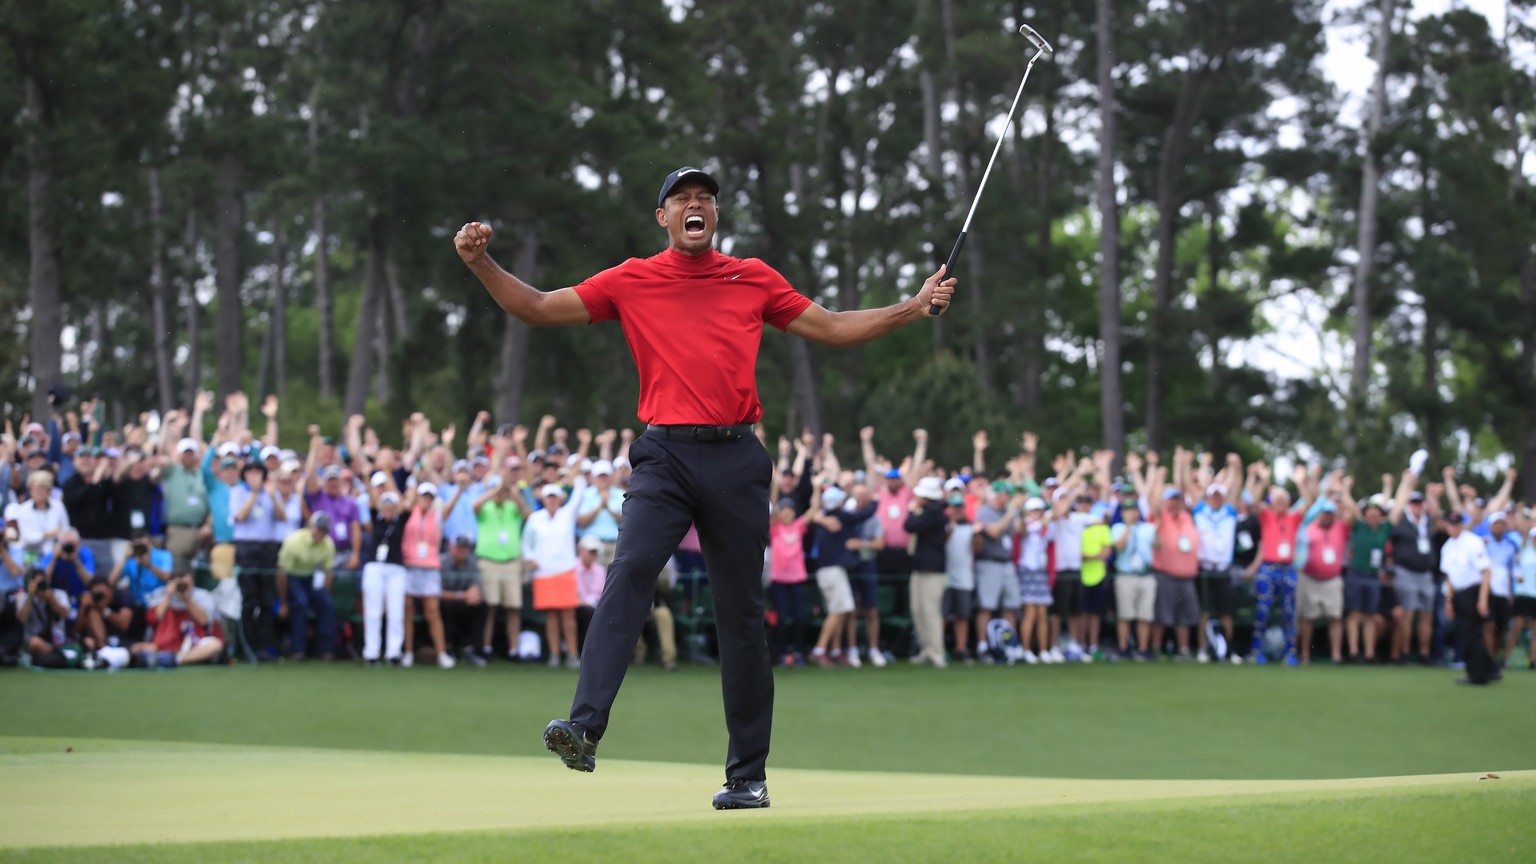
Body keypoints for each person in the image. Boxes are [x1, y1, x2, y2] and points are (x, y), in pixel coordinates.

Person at [456, 165, 956, 808]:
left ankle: (747, 777)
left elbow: (831, 328)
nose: (695, 206)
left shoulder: (752, 278)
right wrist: (481, 263)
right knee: (631, 569)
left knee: (741, 613)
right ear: (662, 217)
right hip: (663, 454)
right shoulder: (631, 278)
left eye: (705, 199)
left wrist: (914, 307)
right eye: (681, 200)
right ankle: (583, 726)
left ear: (715, 216)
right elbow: (535, 308)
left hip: (737, 457)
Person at [523, 479, 588, 669]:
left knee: (568, 616)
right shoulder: (535, 518)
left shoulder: (567, 514)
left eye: (555, 497)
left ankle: (573, 654)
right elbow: (526, 542)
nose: (552, 501)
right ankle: (554, 654)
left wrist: (576, 477)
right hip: (543, 573)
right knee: (551, 616)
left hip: (565, 570)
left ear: (560, 499)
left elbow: (579, 494)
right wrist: (530, 558)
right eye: (548, 497)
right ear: (543, 499)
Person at [473, 464, 532, 660]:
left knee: (513, 607)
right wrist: (496, 488)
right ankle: (487, 647)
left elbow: (526, 512)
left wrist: (511, 490)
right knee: (490, 606)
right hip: (489, 561)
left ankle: (513, 649)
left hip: (511, 562)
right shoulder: (486, 507)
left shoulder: (512, 507)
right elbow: (476, 505)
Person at [230, 459, 283, 657]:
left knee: (267, 599)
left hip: (267, 548)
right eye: (250, 471)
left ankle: (265, 646)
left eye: (258, 471)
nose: (254, 475)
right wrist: (253, 493)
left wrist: (272, 496)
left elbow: (282, 517)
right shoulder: (237, 492)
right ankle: (247, 646)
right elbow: (241, 516)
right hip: (246, 548)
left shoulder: (270, 492)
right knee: (249, 599)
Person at [1439, 513, 1497, 685]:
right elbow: (1449, 577)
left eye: (1457, 524)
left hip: (1474, 591)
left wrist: (1482, 599)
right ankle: (1491, 669)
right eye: (1451, 524)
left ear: (1462, 525)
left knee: (1472, 634)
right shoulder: (1447, 547)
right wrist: (1449, 600)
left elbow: (1486, 571)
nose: (1454, 527)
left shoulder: (1472, 542)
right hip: (1459, 594)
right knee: (1468, 633)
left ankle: (1477, 675)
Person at [401, 484, 454, 669]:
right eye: (424, 496)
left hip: (430, 566)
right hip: (410, 565)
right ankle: (407, 652)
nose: (426, 499)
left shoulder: (437, 515)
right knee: (407, 610)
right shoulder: (408, 512)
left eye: (430, 497)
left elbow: (450, 507)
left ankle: (441, 654)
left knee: (432, 610)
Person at [128, 568, 224, 667]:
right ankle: (167, 658)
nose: (181, 586)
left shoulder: (202, 595)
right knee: (135, 649)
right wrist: (168, 596)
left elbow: (204, 621)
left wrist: (187, 599)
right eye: (178, 583)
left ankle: (176, 660)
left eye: (185, 582)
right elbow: (153, 620)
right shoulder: (161, 594)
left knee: (215, 645)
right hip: (165, 644)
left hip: (194, 643)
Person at [276, 512, 338, 661]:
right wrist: (283, 602)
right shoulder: (294, 541)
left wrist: (325, 595)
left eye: (324, 530)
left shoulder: (328, 544)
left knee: (327, 604)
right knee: (300, 602)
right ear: (311, 527)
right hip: (292, 578)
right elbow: (281, 573)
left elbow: (328, 573)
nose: (320, 533)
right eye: (318, 529)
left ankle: (325, 649)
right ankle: (298, 650)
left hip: (310, 579)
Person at [1150, 487, 1201, 660]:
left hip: (1187, 577)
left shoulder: (1187, 517)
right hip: (1166, 575)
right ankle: (1156, 648)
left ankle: (1184, 649)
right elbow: (1152, 499)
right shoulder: (1160, 515)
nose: (1175, 503)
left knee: (1185, 617)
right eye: (1171, 499)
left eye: (1178, 499)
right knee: (1162, 614)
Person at [1342, 490, 1392, 664]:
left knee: (1371, 614)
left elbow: (1398, 506)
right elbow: (1350, 506)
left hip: (1373, 575)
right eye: (1369, 511)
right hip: (1356, 573)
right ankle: (1354, 652)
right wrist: (1344, 488)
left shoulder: (1384, 528)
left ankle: (1369, 653)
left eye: (1376, 511)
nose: (1372, 514)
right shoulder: (1358, 526)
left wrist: (1403, 484)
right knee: (1354, 613)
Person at [903, 476, 948, 668]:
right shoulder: (928, 511)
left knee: (930, 611)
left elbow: (910, 525)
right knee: (918, 610)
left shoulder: (934, 512)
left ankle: (936, 652)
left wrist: (912, 512)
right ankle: (926, 649)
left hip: (932, 570)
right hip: (920, 567)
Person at [1296, 500, 1347, 665]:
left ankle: (1336, 655)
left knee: (1335, 617)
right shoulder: (1308, 529)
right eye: (1324, 513)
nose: (1327, 516)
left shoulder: (1340, 527)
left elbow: (1351, 515)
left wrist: (1343, 492)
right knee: (1307, 617)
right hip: (1310, 578)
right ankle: (1305, 654)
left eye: (1330, 513)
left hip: (1332, 580)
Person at [360, 490, 408, 665]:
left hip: (396, 569)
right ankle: (371, 652)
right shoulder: (375, 518)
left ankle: (393, 652)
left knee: (396, 612)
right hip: (375, 567)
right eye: (385, 504)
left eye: (391, 505)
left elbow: (404, 507)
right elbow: (372, 500)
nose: (388, 508)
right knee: (373, 611)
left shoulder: (401, 520)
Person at [767, 498, 812, 666]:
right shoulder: (775, 528)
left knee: (799, 617)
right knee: (781, 618)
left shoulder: (798, 526)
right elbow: (771, 512)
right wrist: (776, 484)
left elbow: (813, 510)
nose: (787, 513)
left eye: (790, 509)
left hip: (797, 578)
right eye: (783, 510)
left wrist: (816, 488)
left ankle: (798, 652)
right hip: (779, 579)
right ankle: (780, 653)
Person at [1111, 498, 1157, 661]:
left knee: (1145, 615)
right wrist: (1129, 527)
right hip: (1126, 575)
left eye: (1134, 510)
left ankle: (1143, 649)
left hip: (1145, 575)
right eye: (1128, 510)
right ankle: (1123, 649)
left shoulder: (1148, 528)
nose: (1132, 513)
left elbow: (1158, 545)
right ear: (1123, 513)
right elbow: (1119, 547)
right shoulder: (1118, 528)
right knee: (1125, 614)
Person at [440, 535, 488, 667]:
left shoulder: (472, 562)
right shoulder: (441, 562)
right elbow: (437, 593)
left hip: (465, 601)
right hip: (448, 601)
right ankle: (447, 649)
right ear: (450, 547)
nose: (461, 551)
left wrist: (472, 594)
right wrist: (461, 596)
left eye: (465, 548)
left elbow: (475, 588)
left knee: (481, 606)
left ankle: (473, 650)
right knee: (445, 606)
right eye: (458, 547)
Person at [942, 494, 978, 665]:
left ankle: (960, 648)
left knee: (962, 615)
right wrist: (951, 527)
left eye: (959, 507)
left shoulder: (971, 528)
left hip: (964, 577)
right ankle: (939, 648)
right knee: (942, 615)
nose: (956, 510)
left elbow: (977, 547)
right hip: (945, 577)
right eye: (953, 507)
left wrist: (978, 533)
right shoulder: (943, 527)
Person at [1509, 524, 1536, 670]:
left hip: (1534, 595)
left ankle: (1534, 660)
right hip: (1522, 595)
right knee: (1516, 628)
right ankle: (1505, 659)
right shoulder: (1524, 551)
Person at [574, 535, 607, 653]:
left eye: (595, 552)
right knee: (589, 613)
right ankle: (583, 651)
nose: (593, 555)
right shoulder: (571, 568)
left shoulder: (600, 570)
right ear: (581, 550)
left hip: (594, 606)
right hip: (575, 606)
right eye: (590, 551)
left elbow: (600, 593)